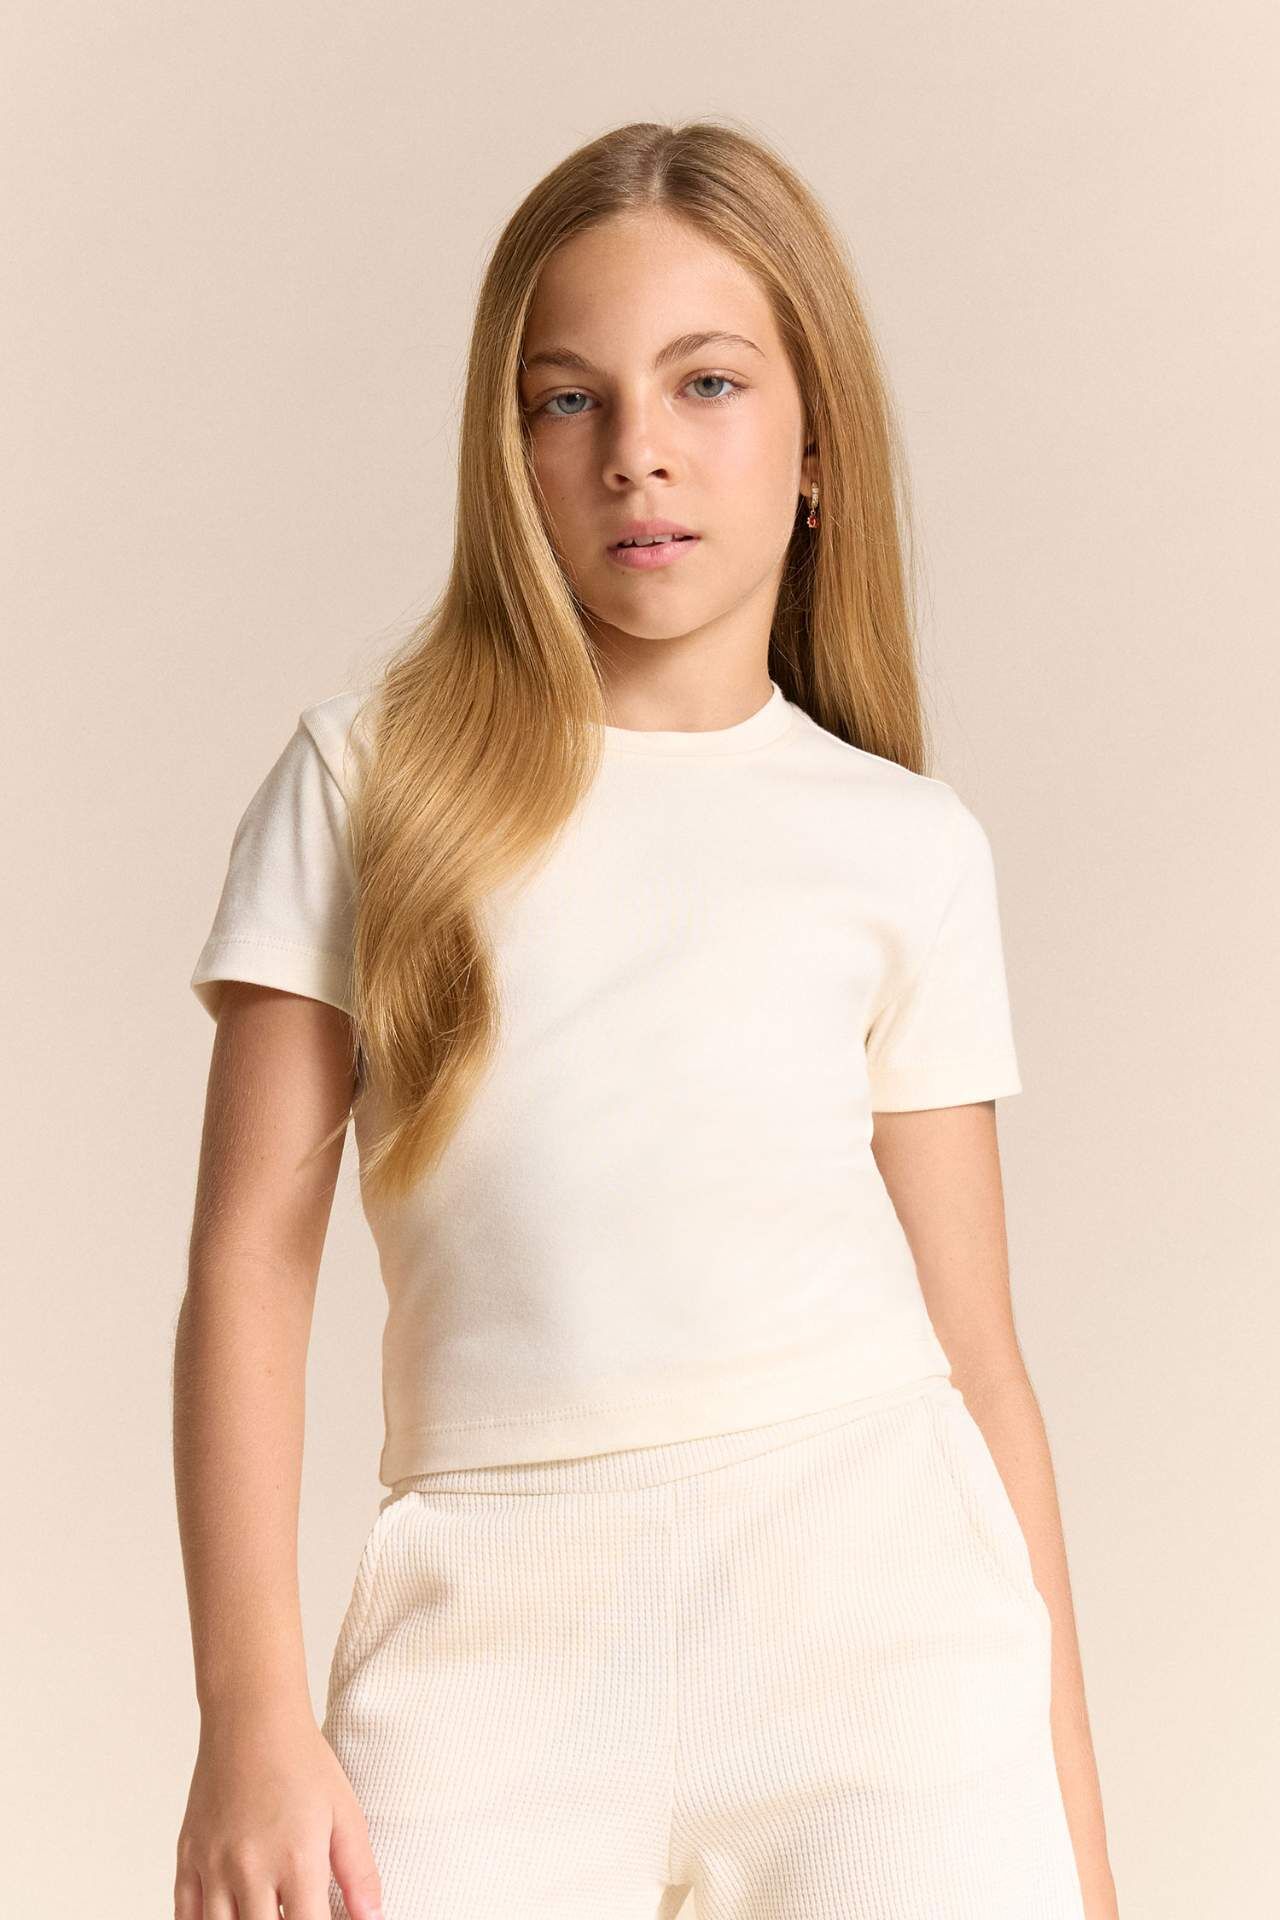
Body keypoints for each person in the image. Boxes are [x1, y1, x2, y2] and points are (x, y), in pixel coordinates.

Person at [173, 118, 1117, 1920]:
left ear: (817, 447)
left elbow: (982, 1360)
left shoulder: (904, 841)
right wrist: (248, 1721)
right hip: (492, 1630)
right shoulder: (370, 785)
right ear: (509, 449)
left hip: (876, 1613)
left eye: (708, 383)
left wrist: (1081, 1847)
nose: (639, 452)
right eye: (568, 399)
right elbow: (246, 1268)